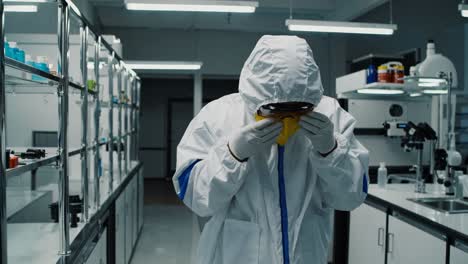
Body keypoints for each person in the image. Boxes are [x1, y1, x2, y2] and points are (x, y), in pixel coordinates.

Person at [172, 35, 369, 264]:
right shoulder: (218, 117)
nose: (286, 117)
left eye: (299, 109)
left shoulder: (331, 116)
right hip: (235, 254)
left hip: (307, 254)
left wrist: (331, 150)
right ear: (255, 97)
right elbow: (195, 197)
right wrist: (232, 153)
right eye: (274, 109)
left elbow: (351, 198)